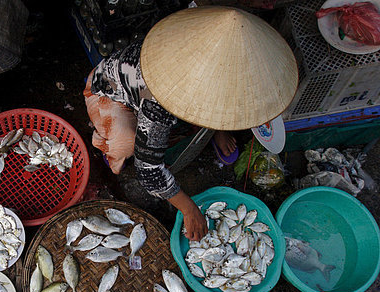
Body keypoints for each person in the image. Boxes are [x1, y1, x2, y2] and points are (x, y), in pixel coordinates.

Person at [83, 6, 298, 242]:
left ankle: (212, 130)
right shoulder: (159, 99)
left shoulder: (219, 31)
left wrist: (218, 127)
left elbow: (228, 90)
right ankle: (107, 141)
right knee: (126, 145)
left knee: (205, 115)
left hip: (150, 94)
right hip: (108, 92)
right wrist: (188, 208)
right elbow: (148, 171)